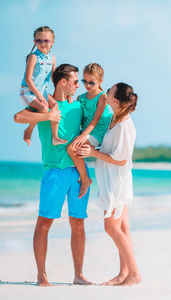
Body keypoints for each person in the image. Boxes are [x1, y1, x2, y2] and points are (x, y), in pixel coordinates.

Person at [14, 64, 91, 287]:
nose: (79, 86)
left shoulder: (79, 106)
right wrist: (47, 115)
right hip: (54, 173)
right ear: (62, 82)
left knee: (78, 223)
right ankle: (41, 276)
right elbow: (18, 117)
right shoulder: (44, 103)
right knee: (44, 223)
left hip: (78, 173)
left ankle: (78, 275)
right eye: (76, 82)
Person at [78, 83, 142, 286]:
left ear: (115, 100)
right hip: (112, 180)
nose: (105, 94)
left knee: (111, 227)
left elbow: (122, 159)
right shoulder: (116, 119)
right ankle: (124, 273)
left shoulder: (124, 126)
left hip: (117, 183)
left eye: (109, 92)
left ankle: (134, 273)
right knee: (123, 228)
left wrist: (93, 153)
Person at [67, 63, 112, 198]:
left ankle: (86, 179)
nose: (87, 85)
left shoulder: (103, 97)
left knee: (72, 148)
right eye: (84, 81)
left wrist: (83, 136)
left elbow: (96, 119)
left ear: (100, 81)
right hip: (86, 130)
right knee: (69, 146)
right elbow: (79, 119)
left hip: (97, 130)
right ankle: (80, 176)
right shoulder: (81, 98)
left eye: (91, 83)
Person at [20, 26, 67, 146]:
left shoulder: (52, 59)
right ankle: (29, 130)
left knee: (55, 105)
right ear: (34, 42)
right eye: (38, 40)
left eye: (46, 40)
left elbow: (53, 79)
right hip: (28, 92)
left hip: (42, 92)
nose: (42, 43)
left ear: (52, 42)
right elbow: (28, 79)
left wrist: (64, 95)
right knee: (44, 108)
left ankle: (55, 137)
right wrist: (39, 96)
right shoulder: (33, 57)